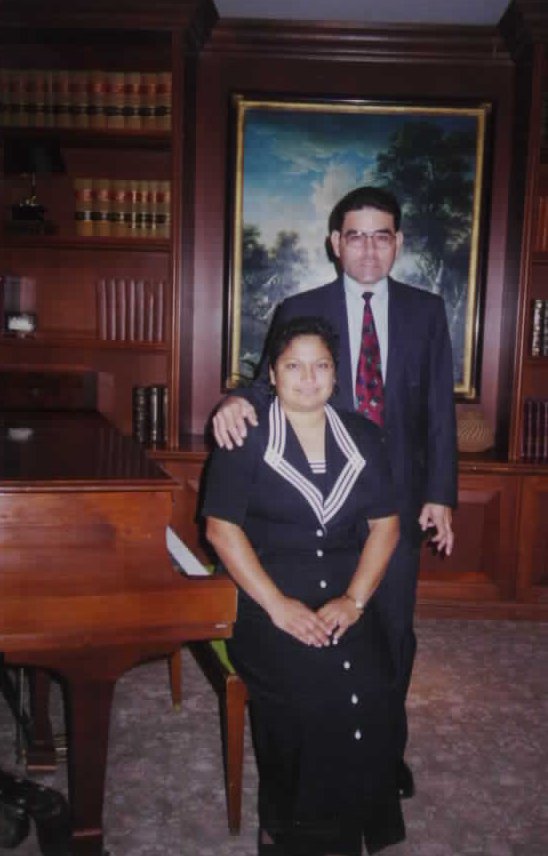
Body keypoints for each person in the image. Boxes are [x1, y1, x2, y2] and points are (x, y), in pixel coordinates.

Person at [212, 186, 458, 798]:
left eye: (381, 236)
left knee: (390, 631)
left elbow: (439, 410)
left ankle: (384, 753)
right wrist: (234, 401)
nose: (369, 249)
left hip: (392, 503)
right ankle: (318, 745)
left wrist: (441, 493)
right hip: (315, 499)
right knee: (315, 632)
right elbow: (268, 380)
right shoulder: (300, 305)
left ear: (398, 243)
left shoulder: (426, 311)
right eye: (356, 236)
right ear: (335, 243)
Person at [203, 316, 405, 855]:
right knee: (312, 701)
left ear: (336, 375)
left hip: (345, 596)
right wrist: (279, 607)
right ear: (272, 374)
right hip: (265, 599)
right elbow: (221, 530)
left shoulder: (363, 437)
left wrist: (354, 601)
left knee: (375, 692)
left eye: (321, 366)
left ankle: (353, 828)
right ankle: (288, 830)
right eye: (294, 365)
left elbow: (386, 526)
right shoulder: (244, 435)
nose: (309, 377)